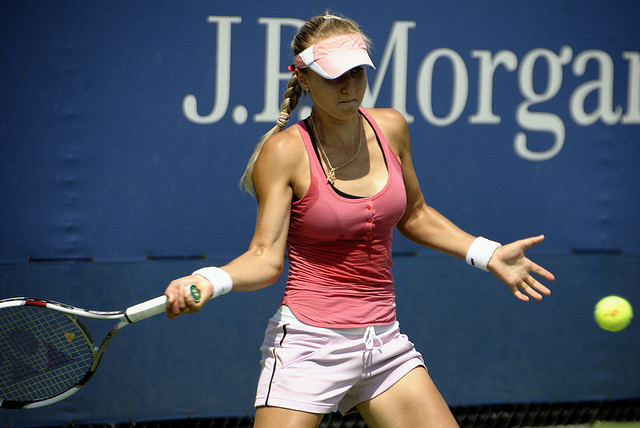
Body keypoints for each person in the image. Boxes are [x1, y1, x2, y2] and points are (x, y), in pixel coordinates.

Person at [164, 11, 555, 428]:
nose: (349, 86)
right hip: (309, 345)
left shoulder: (392, 127)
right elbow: (265, 257)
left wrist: (488, 253)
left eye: (357, 72)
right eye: (334, 76)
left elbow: (415, 214)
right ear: (304, 79)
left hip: (383, 344)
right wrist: (210, 280)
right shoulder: (283, 153)